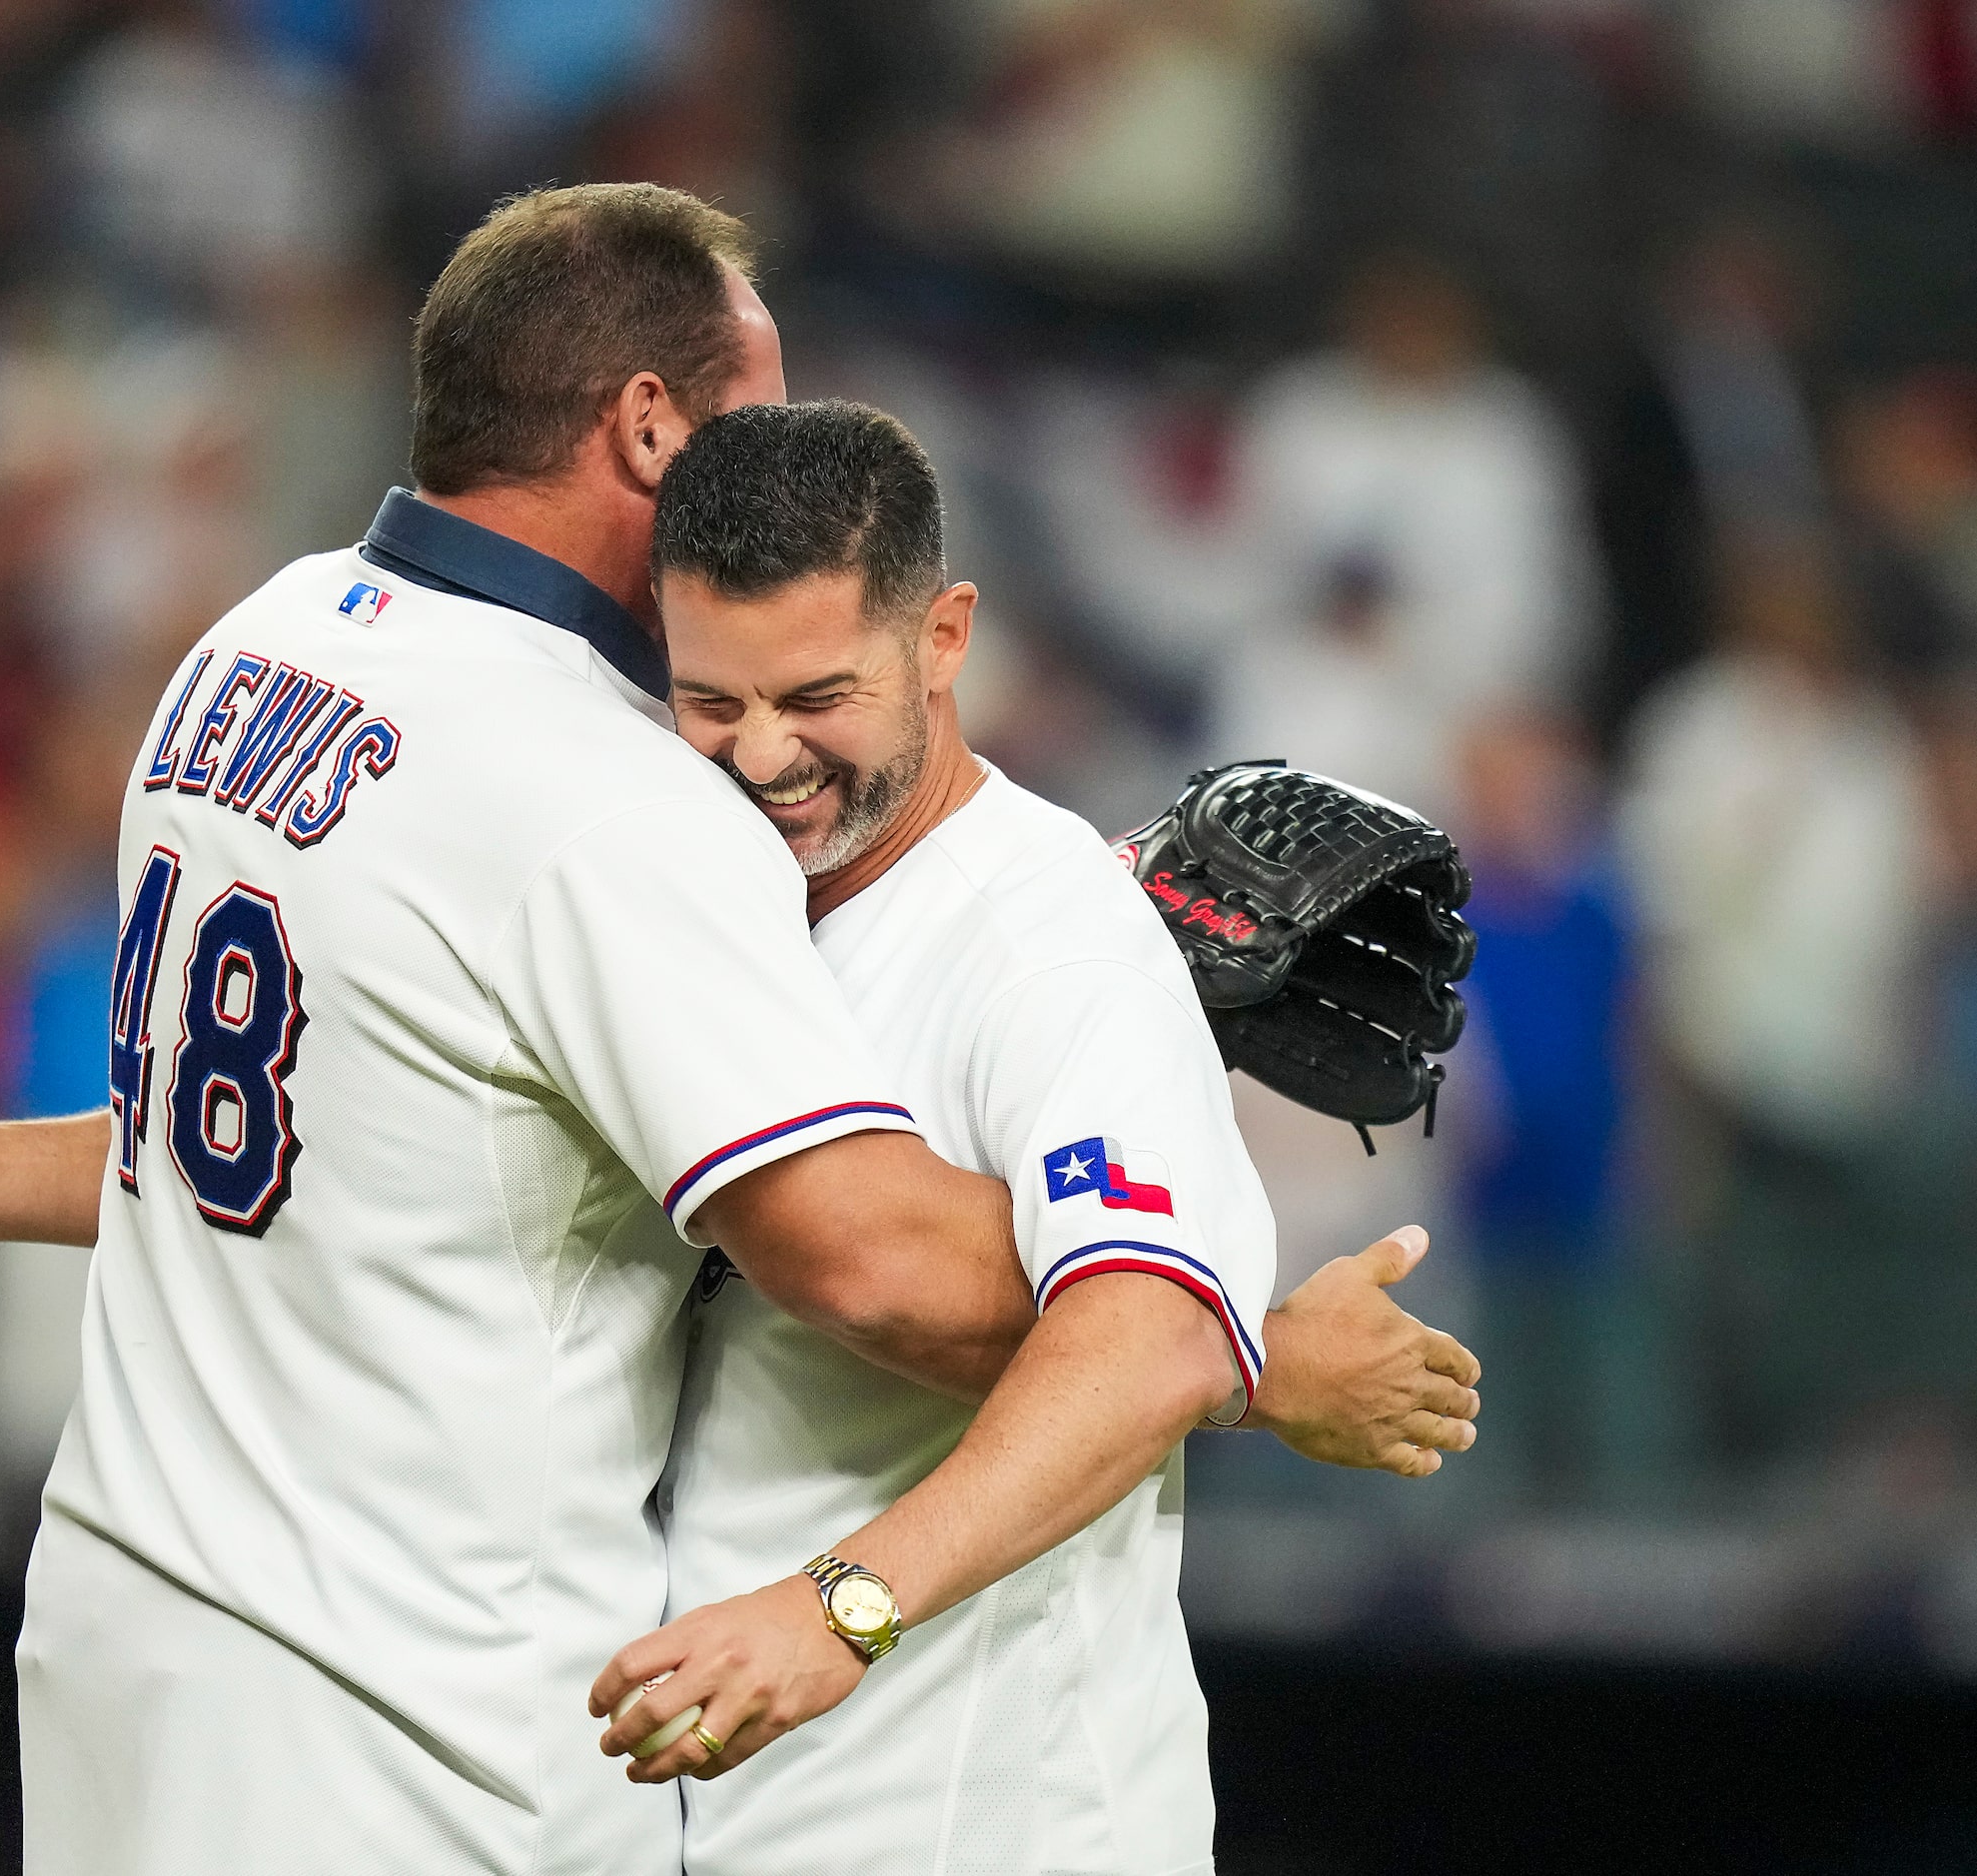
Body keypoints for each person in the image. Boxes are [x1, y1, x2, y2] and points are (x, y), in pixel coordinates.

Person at [0, 185, 1473, 1873]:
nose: (779, 435)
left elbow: (323, 1128)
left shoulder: (260, 642)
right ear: (649, 422)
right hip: (403, 1724)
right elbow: (877, 1260)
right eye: (758, 389)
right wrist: (1225, 1338)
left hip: (141, 1633)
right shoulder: (603, 794)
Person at [589, 403, 1474, 1871]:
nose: (761, 754)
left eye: (817, 694)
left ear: (943, 638)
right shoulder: (711, 902)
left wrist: (838, 1605)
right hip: (743, 1799)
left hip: (991, 1818)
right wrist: (1260, 1353)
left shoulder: (1045, 941)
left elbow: (1142, 1342)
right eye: (712, 701)